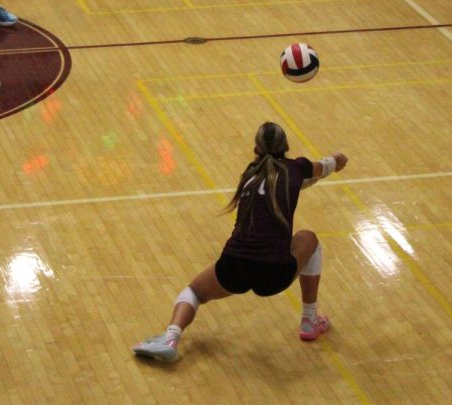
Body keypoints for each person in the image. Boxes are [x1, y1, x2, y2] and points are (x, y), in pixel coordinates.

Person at [132, 123, 349, 362]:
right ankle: (309, 320)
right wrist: (336, 160)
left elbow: (292, 183)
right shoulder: (297, 167)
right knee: (309, 239)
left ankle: (171, 337)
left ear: (255, 149)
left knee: (193, 291)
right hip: (274, 273)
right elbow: (323, 168)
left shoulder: (249, 174)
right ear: (286, 146)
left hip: (234, 266)